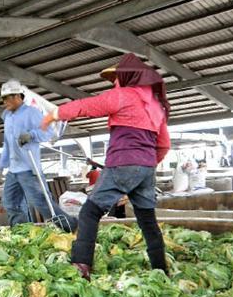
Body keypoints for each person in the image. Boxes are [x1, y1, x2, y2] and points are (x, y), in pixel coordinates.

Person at [41, 53, 171, 279]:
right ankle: (161, 269)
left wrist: (55, 114)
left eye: (117, 79)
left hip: (123, 161)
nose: (115, 83)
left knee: (90, 213)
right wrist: (144, 167)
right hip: (147, 167)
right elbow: (164, 145)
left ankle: (81, 265)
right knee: (148, 220)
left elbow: (87, 106)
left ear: (128, 78)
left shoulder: (123, 96)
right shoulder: (156, 107)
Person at [0, 79, 77, 232]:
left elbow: (48, 132)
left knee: (42, 203)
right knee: (10, 203)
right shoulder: (7, 117)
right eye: (3, 99)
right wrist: (0, 167)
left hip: (29, 168)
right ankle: (22, 231)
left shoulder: (31, 113)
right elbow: (7, 144)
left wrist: (31, 135)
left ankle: (71, 226)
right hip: (13, 171)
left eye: (6, 98)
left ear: (17, 96)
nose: (4, 102)